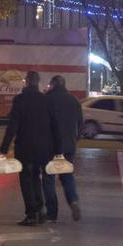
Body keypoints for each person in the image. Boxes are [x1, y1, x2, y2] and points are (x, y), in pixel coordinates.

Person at [0, 71, 63, 226]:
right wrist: (58, 149)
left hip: (25, 147)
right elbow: (56, 126)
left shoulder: (20, 100)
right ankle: (40, 210)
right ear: (38, 82)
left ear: (26, 82)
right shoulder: (47, 101)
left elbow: (12, 125)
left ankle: (31, 213)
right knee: (36, 177)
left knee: (26, 179)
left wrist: (4, 148)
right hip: (43, 148)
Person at [42, 75, 83, 222]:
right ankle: (73, 201)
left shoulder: (47, 100)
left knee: (48, 178)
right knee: (67, 176)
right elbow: (80, 124)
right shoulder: (73, 100)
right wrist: (74, 140)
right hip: (69, 145)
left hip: (51, 145)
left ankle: (52, 213)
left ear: (52, 85)